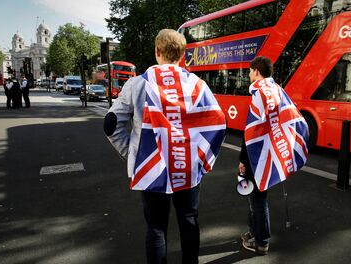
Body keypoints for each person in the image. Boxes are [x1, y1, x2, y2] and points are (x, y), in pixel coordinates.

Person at [103, 29, 226, 264]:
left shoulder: (136, 84)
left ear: (157, 52)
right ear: (183, 54)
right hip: (187, 168)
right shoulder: (197, 84)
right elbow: (218, 122)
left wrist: (133, 153)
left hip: (151, 168)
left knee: (156, 228)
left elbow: (111, 125)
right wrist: (202, 158)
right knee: (189, 220)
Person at [238, 56, 309, 255]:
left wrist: (243, 160)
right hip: (269, 152)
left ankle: (261, 241)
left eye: (250, 71)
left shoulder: (259, 93)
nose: (249, 75)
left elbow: (251, 131)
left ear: (257, 72)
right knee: (256, 194)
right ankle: (253, 232)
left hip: (258, 154)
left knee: (257, 198)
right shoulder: (277, 90)